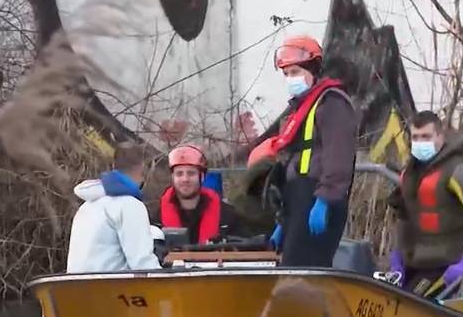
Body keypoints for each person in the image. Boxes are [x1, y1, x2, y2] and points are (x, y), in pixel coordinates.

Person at [263, 35, 359, 267]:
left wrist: (324, 200)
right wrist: (284, 219)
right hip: (297, 200)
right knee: (291, 272)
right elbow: (291, 159)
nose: (290, 79)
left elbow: (339, 156)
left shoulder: (331, 103)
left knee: (304, 275)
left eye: (295, 72)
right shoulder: (298, 110)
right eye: (286, 74)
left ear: (313, 69)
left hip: (317, 196)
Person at [387, 110, 463, 299]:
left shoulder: (460, 170)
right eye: (416, 137)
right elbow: (403, 218)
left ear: (440, 136)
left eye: (426, 136)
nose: (420, 143)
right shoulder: (410, 173)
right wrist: (398, 257)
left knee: (412, 302)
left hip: (448, 263)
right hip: (416, 261)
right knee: (387, 296)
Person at [66, 141, 162, 273]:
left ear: (113, 166)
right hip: (115, 289)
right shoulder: (130, 206)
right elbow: (142, 264)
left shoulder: (87, 205)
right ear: (142, 167)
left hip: (75, 287)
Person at [151, 143, 241, 245]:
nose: (185, 179)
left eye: (191, 173)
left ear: (202, 176)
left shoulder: (227, 216)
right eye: (179, 174)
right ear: (172, 177)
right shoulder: (156, 219)